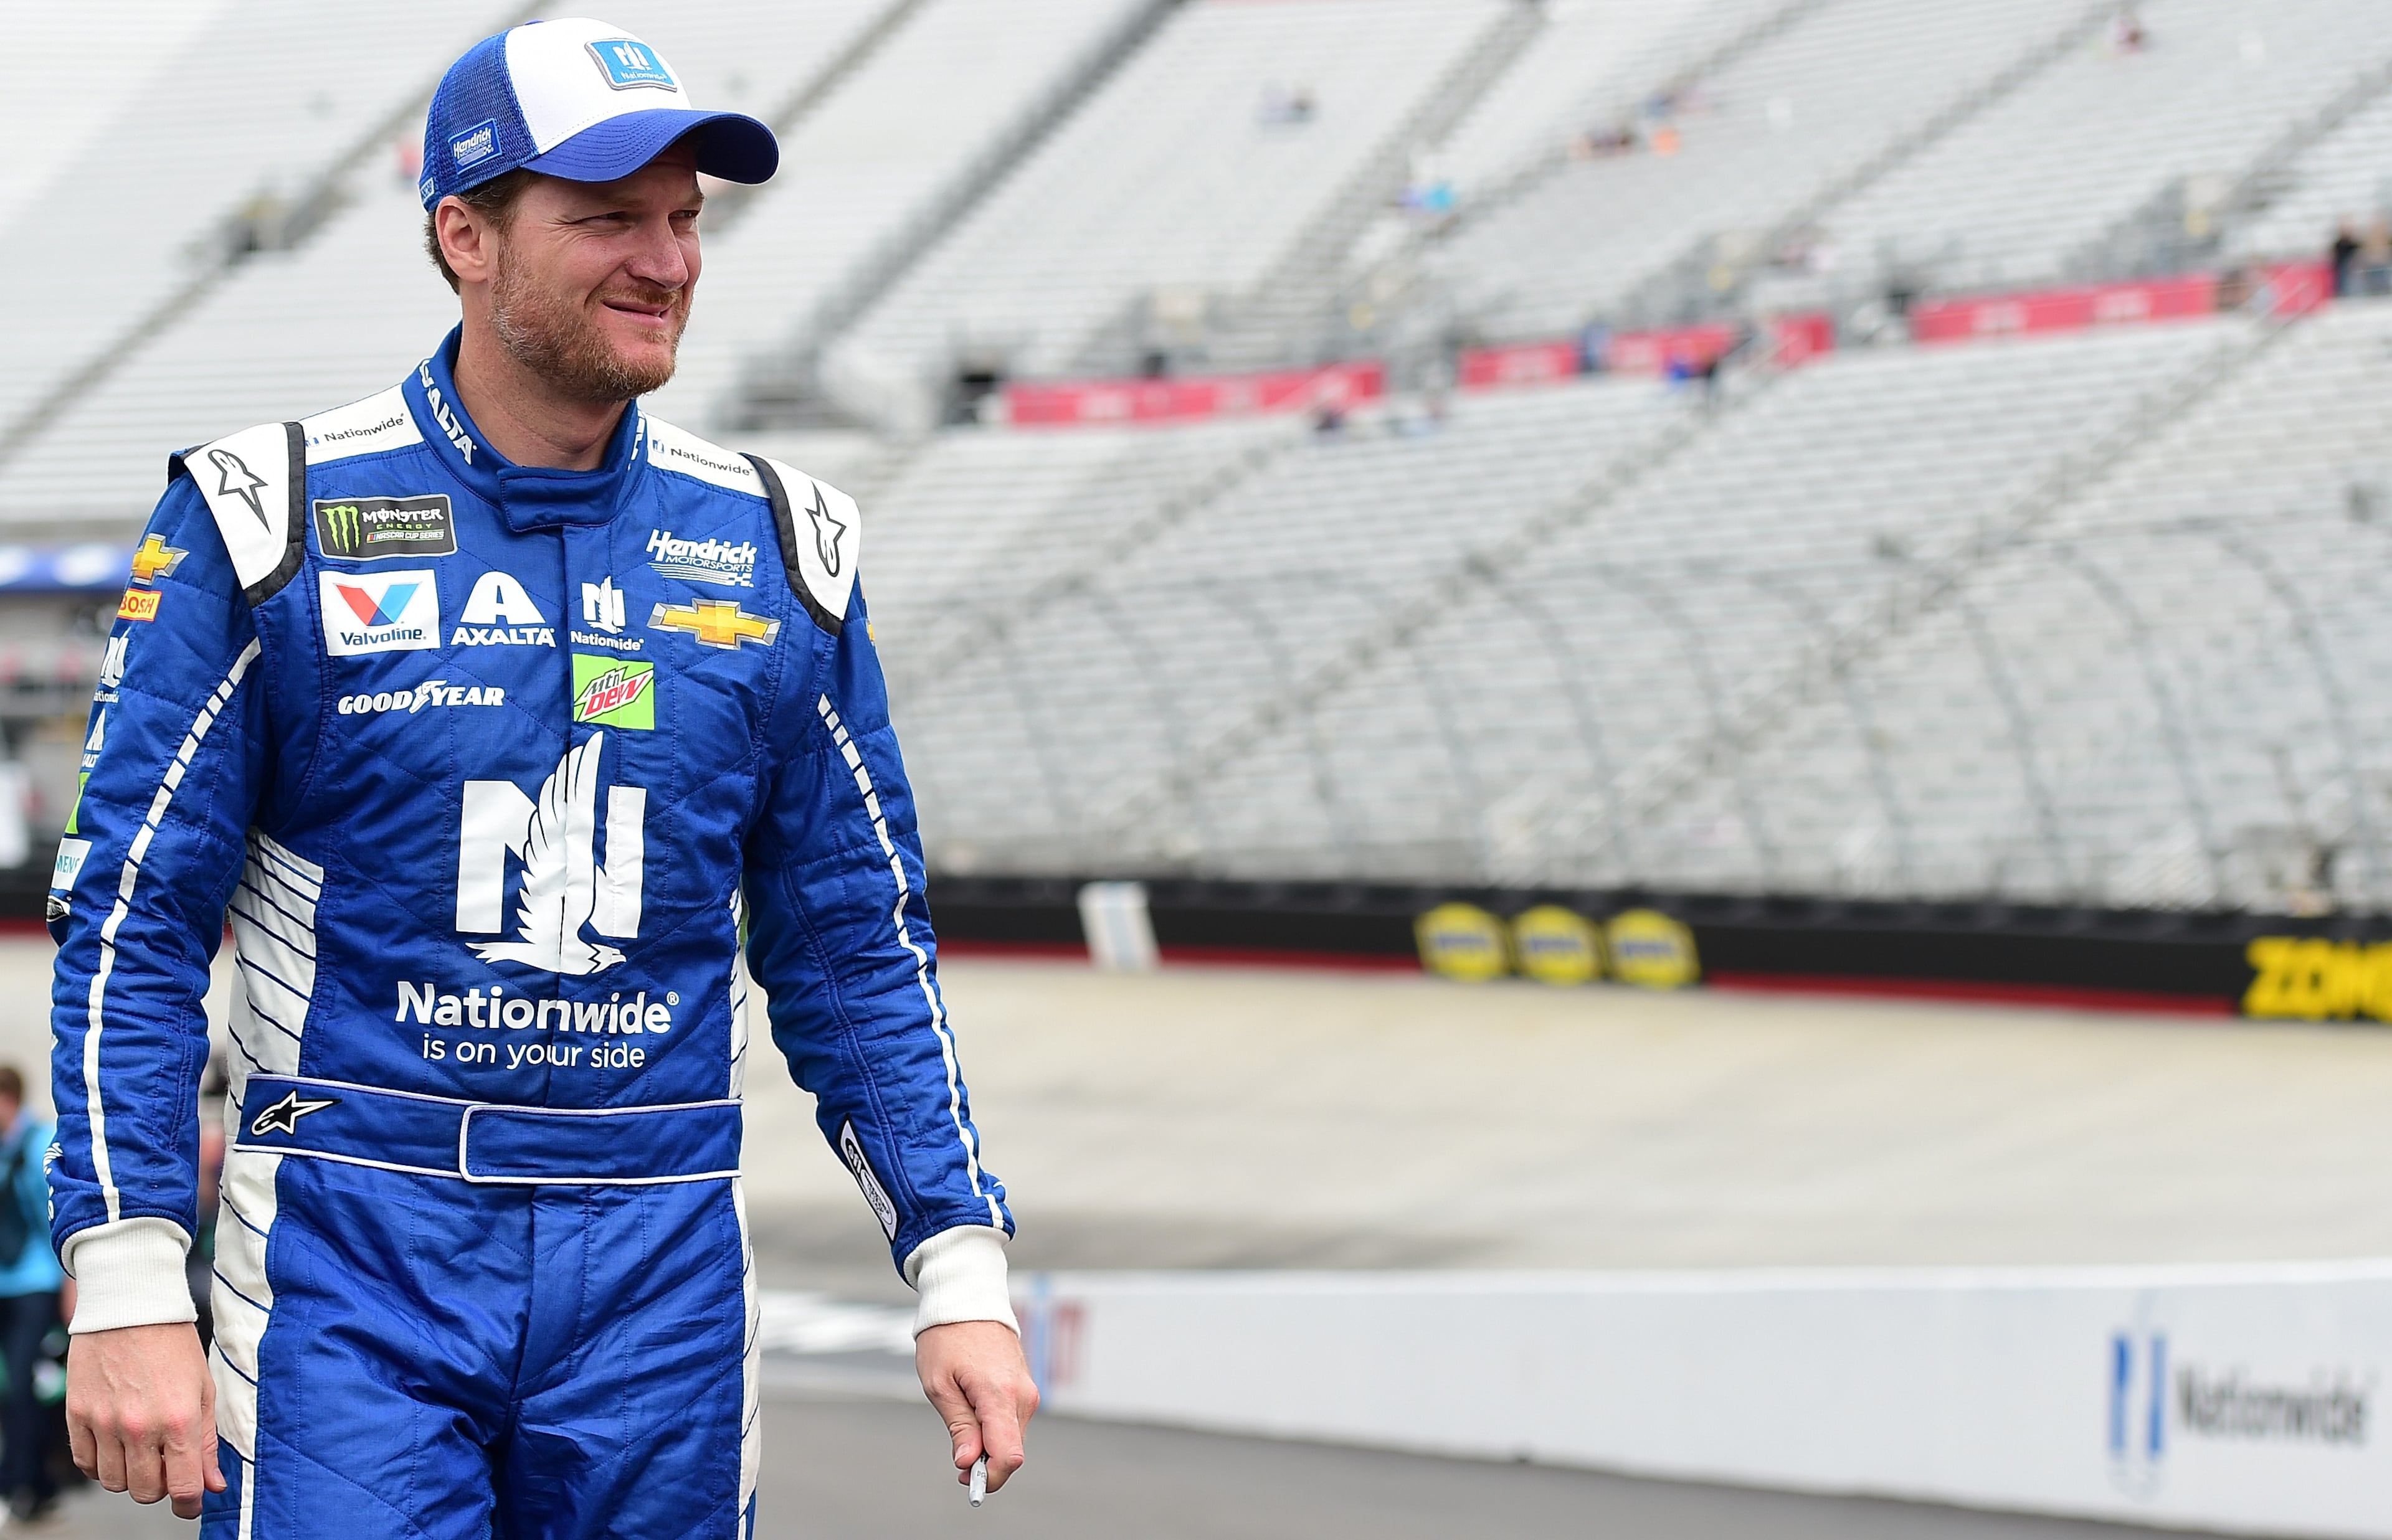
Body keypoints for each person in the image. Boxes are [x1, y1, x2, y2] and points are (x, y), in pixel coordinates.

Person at [47, 18, 1032, 1538]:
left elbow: (850, 941)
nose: (666, 259)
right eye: (604, 218)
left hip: (661, 1268)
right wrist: (122, 1277)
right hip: (350, 1255)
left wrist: (956, 1263)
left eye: (684, 217)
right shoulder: (264, 520)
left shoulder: (782, 547)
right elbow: (131, 922)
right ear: (464, 236)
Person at [0, 1065, 64, 1521]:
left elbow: (57, 1221)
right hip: (6, 1283)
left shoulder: (40, 1143)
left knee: (25, 1382)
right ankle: (35, 1479)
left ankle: (20, 1483)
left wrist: (72, 1286)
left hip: (37, 1284)